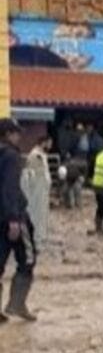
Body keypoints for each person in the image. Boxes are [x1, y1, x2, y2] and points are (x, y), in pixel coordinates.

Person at [0, 120, 37, 322]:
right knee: (28, 259)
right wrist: (14, 217)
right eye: (16, 133)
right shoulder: (12, 157)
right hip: (15, 217)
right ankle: (16, 303)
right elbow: (10, 188)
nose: (19, 137)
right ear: (7, 134)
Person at [20, 134, 52, 249]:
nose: (50, 145)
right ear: (44, 142)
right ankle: (35, 239)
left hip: (43, 191)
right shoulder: (35, 155)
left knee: (42, 216)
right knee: (36, 215)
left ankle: (39, 238)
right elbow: (33, 175)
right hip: (37, 192)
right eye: (49, 143)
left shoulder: (42, 155)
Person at [90, 136, 103, 233]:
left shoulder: (100, 155)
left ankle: (99, 226)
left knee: (101, 206)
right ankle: (102, 226)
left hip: (97, 185)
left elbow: (92, 168)